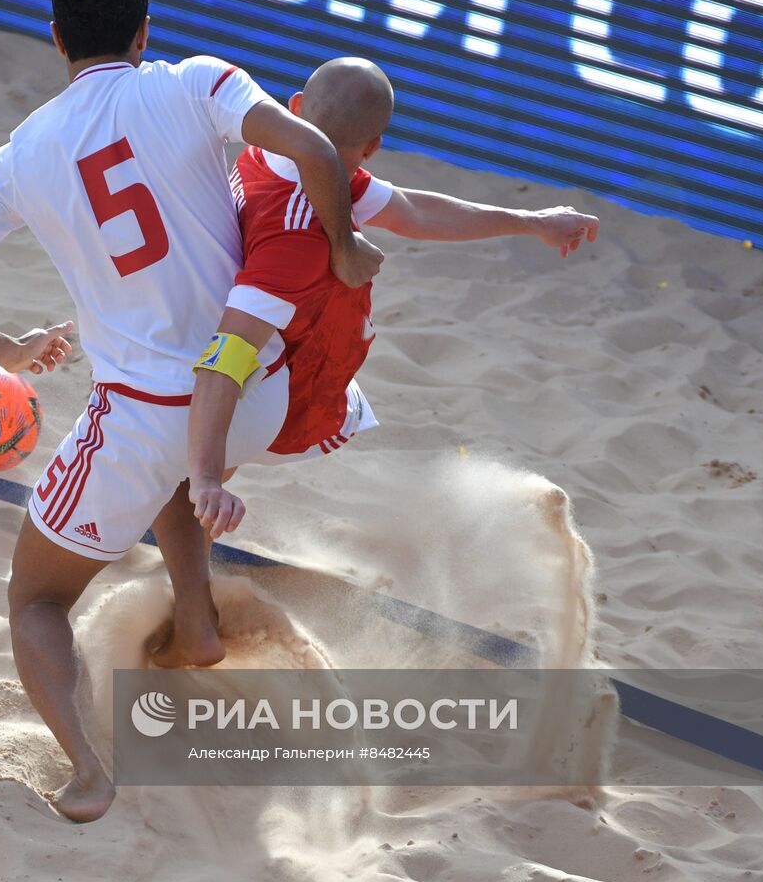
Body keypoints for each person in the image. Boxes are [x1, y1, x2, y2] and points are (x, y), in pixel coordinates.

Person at [0, 0, 383, 822]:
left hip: (149, 417)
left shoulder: (14, 158)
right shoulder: (195, 80)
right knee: (175, 471)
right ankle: (195, 621)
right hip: (252, 392)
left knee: (35, 599)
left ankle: (88, 772)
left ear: (54, 39)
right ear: (143, 30)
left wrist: (7, 351)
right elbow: (314, 144)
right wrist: (345, 247)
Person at [187, 56, 602, 538]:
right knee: (210, 469)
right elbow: (227, 357)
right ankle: (189, 530)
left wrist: (535, 222)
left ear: (296, 108)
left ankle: (187, 518)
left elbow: (414, 212)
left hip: (229, 331)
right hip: (272, 385)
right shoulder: (298, 237)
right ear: (372, 147)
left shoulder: (270, 151)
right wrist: (208, 481)